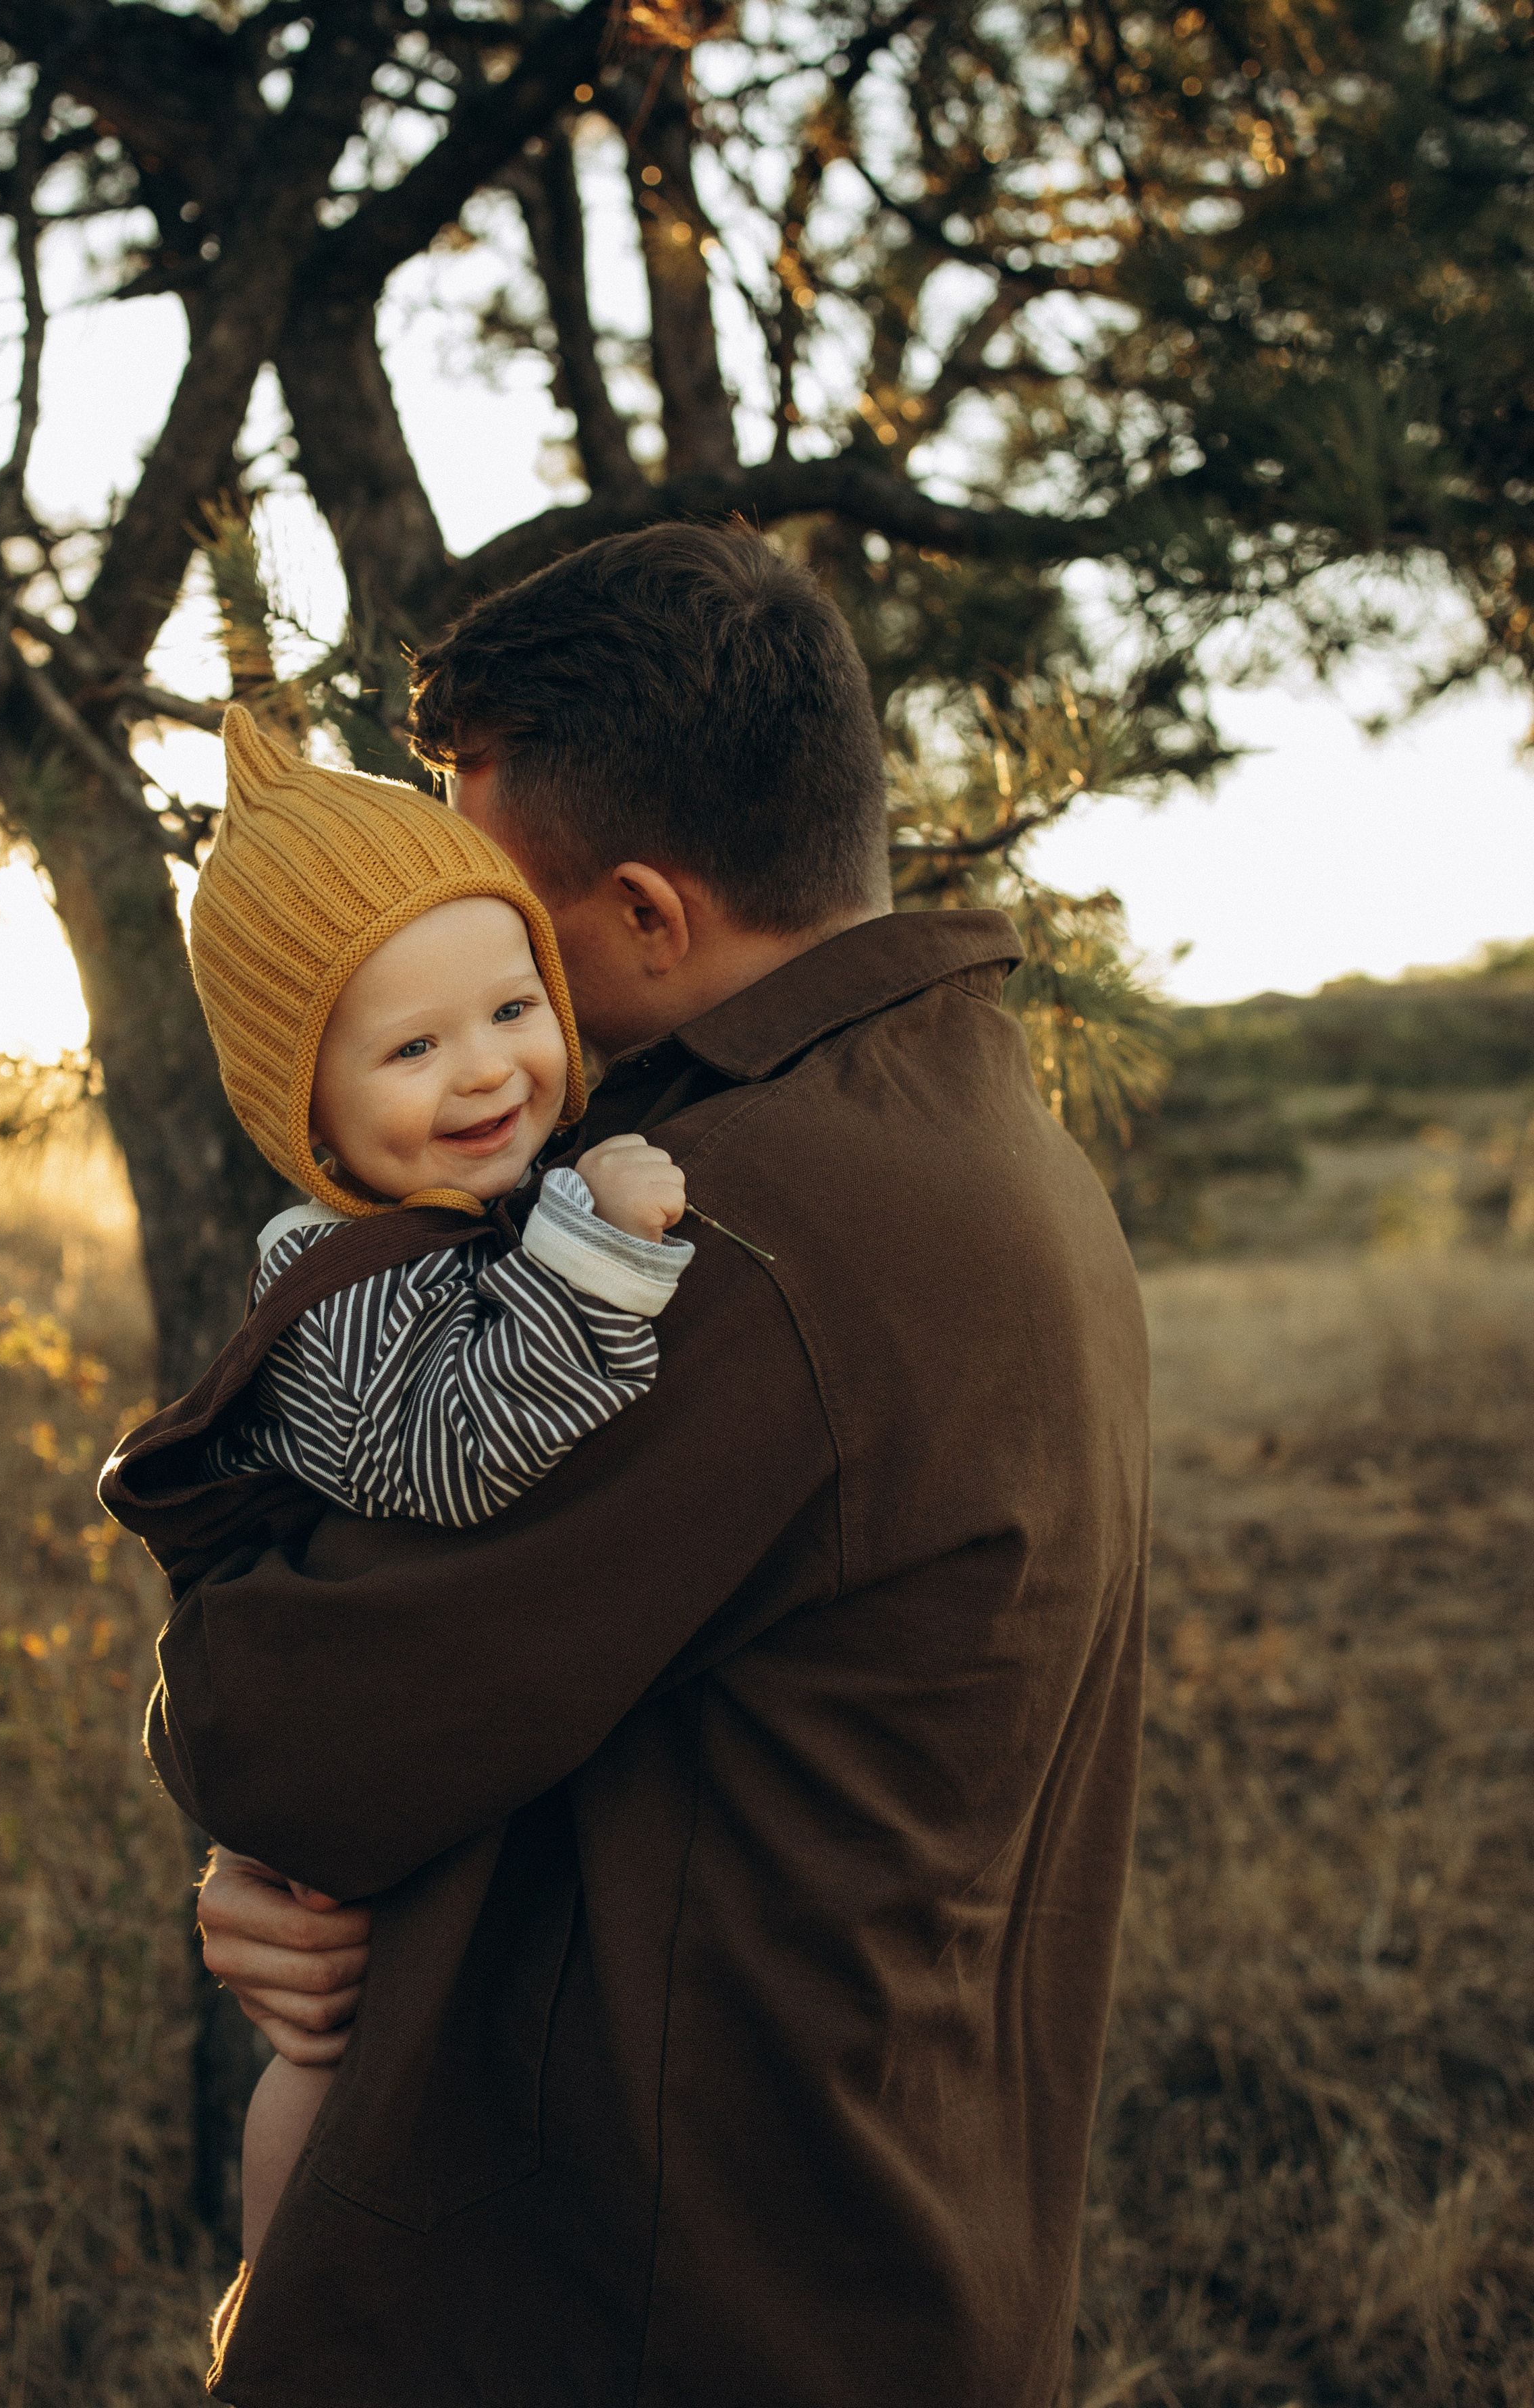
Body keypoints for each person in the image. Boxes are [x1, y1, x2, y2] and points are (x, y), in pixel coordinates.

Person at [117, 523, 1151, 2408]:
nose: (483, 983)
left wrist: (251, 1801)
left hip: (677, 2301)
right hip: (900, 2227)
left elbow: (294, 1737)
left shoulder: (720, 1243)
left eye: (500, 922)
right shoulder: (998, 1143)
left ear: (652, 918)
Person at [107, 703, 693, 2261]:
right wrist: (597, 1257)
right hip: (347, 1770)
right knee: (335, 2067)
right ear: (308, 1108)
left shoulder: (491, 1207)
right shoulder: (338, 1271)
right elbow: (441, 1458)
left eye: (513, 1005)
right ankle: (287, 2312)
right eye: (411, 1047)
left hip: (420, 1743)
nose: (485, 1069)